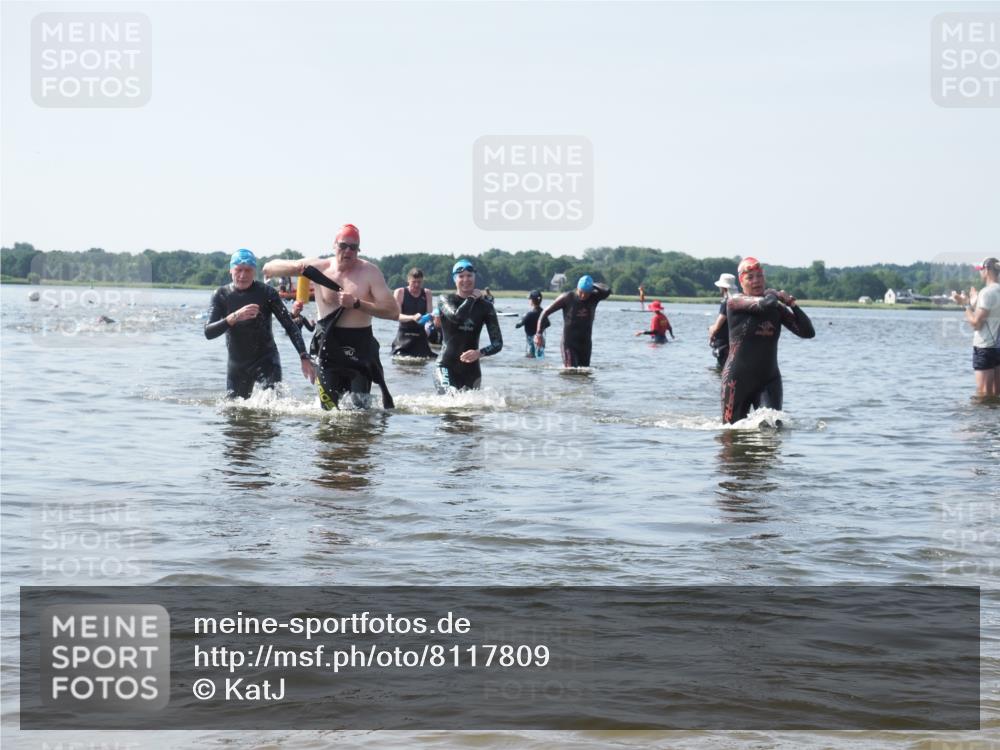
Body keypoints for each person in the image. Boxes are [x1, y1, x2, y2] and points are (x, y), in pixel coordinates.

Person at [262, 224, 400, 409]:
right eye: (343, 245)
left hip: (359, 346)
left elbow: (392, 312)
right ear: (334, 245)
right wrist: (296, 267)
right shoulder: (320, 267)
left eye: (354, 247)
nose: (348, 251)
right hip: (327, 346)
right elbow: (268, 268)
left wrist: (358, 304)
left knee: (359, 412)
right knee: (328, 411)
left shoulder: (370, 272)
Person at [204, 249, 315, 399]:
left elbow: (289, 325)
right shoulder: (221, 295)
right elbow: (208, 332)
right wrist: (234, 316)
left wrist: (303, 356)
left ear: (254, 271)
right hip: (237, 365)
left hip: (266, 361)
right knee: (233, 413)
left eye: (248, 270)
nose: (243, 275)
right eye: (239, 270)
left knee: (270, 409)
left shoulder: (267, 293)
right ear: (231, 270)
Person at [721, 257, 815, 424]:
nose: (756, 281)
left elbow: (807, 332)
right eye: (750, 277)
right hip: (737, 380)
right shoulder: (735, 302)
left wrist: (792, 304)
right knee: (731, 433)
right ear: (742, 282)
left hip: (769, 380)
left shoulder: (776, 308)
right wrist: (774, 293)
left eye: (759, 276)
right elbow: (764, 304)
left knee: (772, 428)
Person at [435, 259, 503, 391]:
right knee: (448, 401)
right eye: (461, 276)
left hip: (472, 370)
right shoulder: (445, 300)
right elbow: (457, 317)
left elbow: (498, 343)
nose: (466, 279)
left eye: (469, 276)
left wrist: (480, 353)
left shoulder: (486, 307)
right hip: (445, 366)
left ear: (474, 277)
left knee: (471, 409)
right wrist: (471, 298)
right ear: (455, 279)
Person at [536, 275, 612, 367]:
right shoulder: (567, 297)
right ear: (577, 288)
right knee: (571, 372)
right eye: (581, 292)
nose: (583, 296)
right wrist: (539, 334)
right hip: (569, 344)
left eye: (586, 293)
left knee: (585, 375)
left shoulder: (594, 297)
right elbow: (545, 312)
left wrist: (593, 285)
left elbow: (607, 290)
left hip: (585, 344)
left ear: (591, 291)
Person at [964, 256, 1000, 396]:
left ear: (987, 270)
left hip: (985, 347)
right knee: (996, 396)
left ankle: (982, 419)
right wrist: (975, 301)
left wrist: (966, 304)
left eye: (980, 270)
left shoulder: (987, 292)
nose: (979, 273)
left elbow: (976, 323)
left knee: (983, 397)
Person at [391, 267, 435, 358]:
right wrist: (412, 317)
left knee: (429, 360)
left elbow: (430, 314)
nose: (416, 285)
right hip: (404, 335)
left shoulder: (427, 293)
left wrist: (432, 318)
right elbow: (396, 316)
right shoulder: (400, 292)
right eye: (413, 282)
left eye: (419, 282)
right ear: (408, 280)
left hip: (420, 335)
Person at [708, 272, 738, 369]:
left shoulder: (726, 302)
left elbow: (718, 325)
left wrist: (711, 330)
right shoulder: (738, 301)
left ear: (724, 288)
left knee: (723, 371)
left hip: (724, 345)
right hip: (733, 342)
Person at [515, 289, 550, 357]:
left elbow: (518, 325)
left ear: (532, 301)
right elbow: (548, 324)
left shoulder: (529, 314)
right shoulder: (543, 313)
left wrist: (522, 318)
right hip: (540, 339)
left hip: (531, 341)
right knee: (540, 357)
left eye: (529, 299)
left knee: (530, 357)